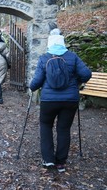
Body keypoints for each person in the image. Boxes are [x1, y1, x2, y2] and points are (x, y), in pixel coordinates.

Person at [29, 28, 92, 173]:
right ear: (63, 43)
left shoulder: (44, 58)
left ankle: (48, 160)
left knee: (45, 126)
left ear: (49, 44)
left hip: (49, 101)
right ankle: (61, 163)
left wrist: (31, 87)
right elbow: (86, 74)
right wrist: (76, 81)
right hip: (70, 100)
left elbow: (37, 81)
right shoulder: (72, 57)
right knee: (63, 129)